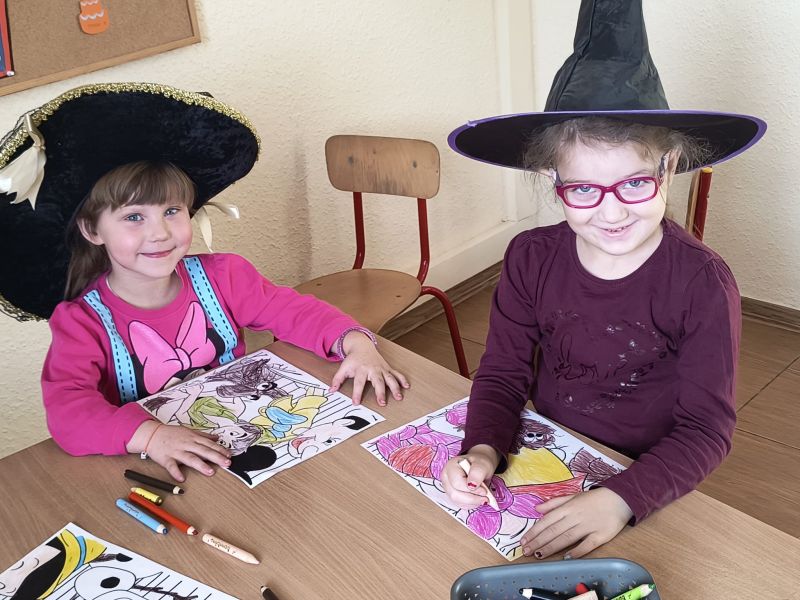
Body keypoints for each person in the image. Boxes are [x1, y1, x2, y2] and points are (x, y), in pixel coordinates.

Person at [441, 0, 766, 560]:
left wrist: (620, 500)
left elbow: (706, 431)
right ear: (554, 179)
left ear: (669, 166)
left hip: (650, 473)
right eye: (584, 189)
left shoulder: (701, 283)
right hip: (551, 447)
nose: (611, 213)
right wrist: (484, 449)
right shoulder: (529, 258)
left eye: (634, 183)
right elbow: (503, 372)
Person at [0, 83, 408, 482]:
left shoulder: (226, 276)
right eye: (134, 217)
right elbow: (68, 413)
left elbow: (294, 311)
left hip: (244, 443)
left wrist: (356, 343)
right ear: (92, 230)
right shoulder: (80, 322)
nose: (160, 233)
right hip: (158, 467)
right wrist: (152, 436)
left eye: (172, 211)